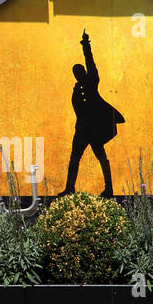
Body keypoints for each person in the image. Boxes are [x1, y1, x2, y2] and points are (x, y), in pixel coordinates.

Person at [63, 29, 124, 197]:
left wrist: (85, 45)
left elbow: (90, 61)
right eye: (76, 73)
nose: (78, 74)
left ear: (84, 72)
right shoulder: (76, 91)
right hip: (82, 129)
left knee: (102, 158)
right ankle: (69, 188)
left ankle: (109, 189)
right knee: (74, 158)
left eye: (80, 71)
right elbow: (77, 110)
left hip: (96, 129)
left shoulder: (92, 81)